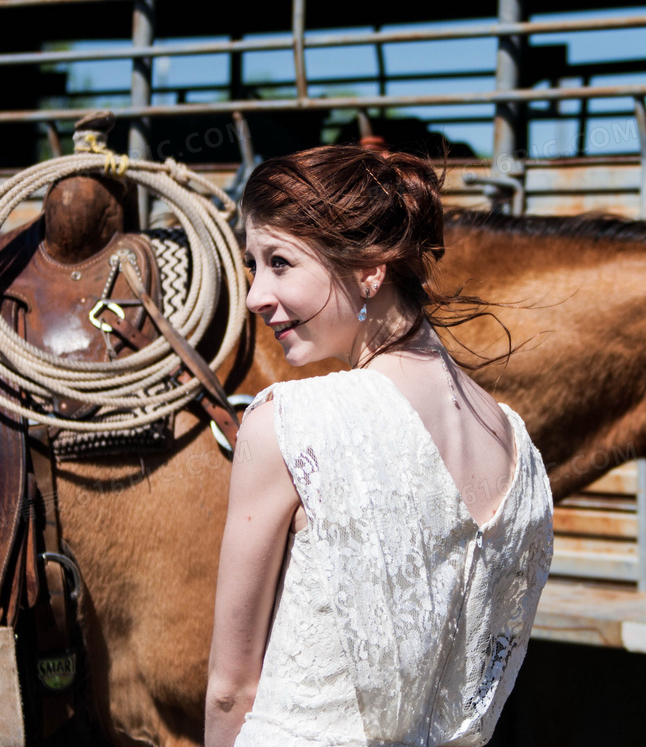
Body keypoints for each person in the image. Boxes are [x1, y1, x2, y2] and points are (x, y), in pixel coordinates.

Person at [205, 145, 554, 747]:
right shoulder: (517, 448)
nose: (257, 295)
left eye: (280, 262)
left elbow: (231, 690)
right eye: (252, 265)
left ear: (371, 268)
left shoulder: (290, 424)